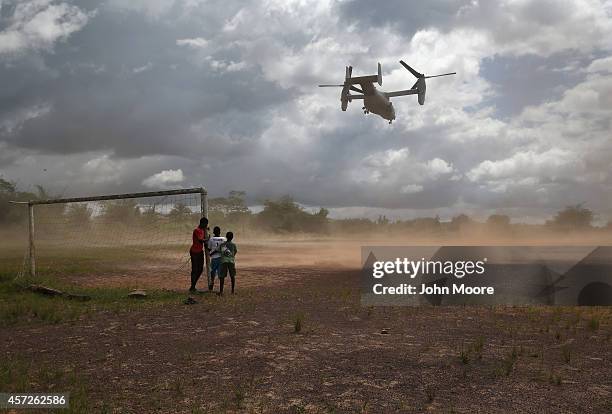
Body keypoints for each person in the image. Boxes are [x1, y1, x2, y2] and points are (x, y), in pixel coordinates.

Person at [189, 217, 208, 292]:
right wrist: (207, 239)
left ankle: (193, 285)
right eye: (206, 224)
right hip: (194, 252)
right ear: (203, 224)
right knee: (194, 269)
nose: (206, 225)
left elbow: (204, 232)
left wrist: (207, 230)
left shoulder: (203, 229)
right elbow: (200, 240)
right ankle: (192, 286)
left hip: (200, 251)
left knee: (200, 269)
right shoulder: (196, 230)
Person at [207, 226, 226, 291]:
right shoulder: (224, 239)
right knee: (221, 274)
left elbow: (208, 249)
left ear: (213, 232)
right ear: (220, 232)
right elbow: (224, 249)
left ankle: (211, 283)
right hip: (221, 258)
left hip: (214, 258)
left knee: (213, 272)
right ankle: (221, 289)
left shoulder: (211, 239)